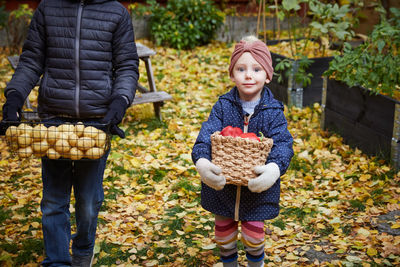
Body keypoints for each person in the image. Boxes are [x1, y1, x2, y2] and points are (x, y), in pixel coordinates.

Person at [0, 0, 139, 266]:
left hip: (95, 124)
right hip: (53, 119)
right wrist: (15, 97)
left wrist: (119, 101)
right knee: (54, 200)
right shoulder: (47, 8)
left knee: (88, 202)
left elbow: (126, 66)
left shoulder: (116, 12)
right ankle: (58, 261)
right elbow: (31, 60)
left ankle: (84, 249)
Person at [191, 36, 293, 267]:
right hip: (223, 186)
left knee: (254, 236)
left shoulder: (273, 111)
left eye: (257, 69)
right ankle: (229, 264)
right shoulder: (223, 106)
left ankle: (256, 264)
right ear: (232, 74)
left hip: (257, 190)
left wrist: (273, 169)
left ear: (267, 76)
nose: (248, 75)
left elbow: (284, 144)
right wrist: (203, 163)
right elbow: (205, 136)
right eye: (241, 68)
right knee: (224, 235)